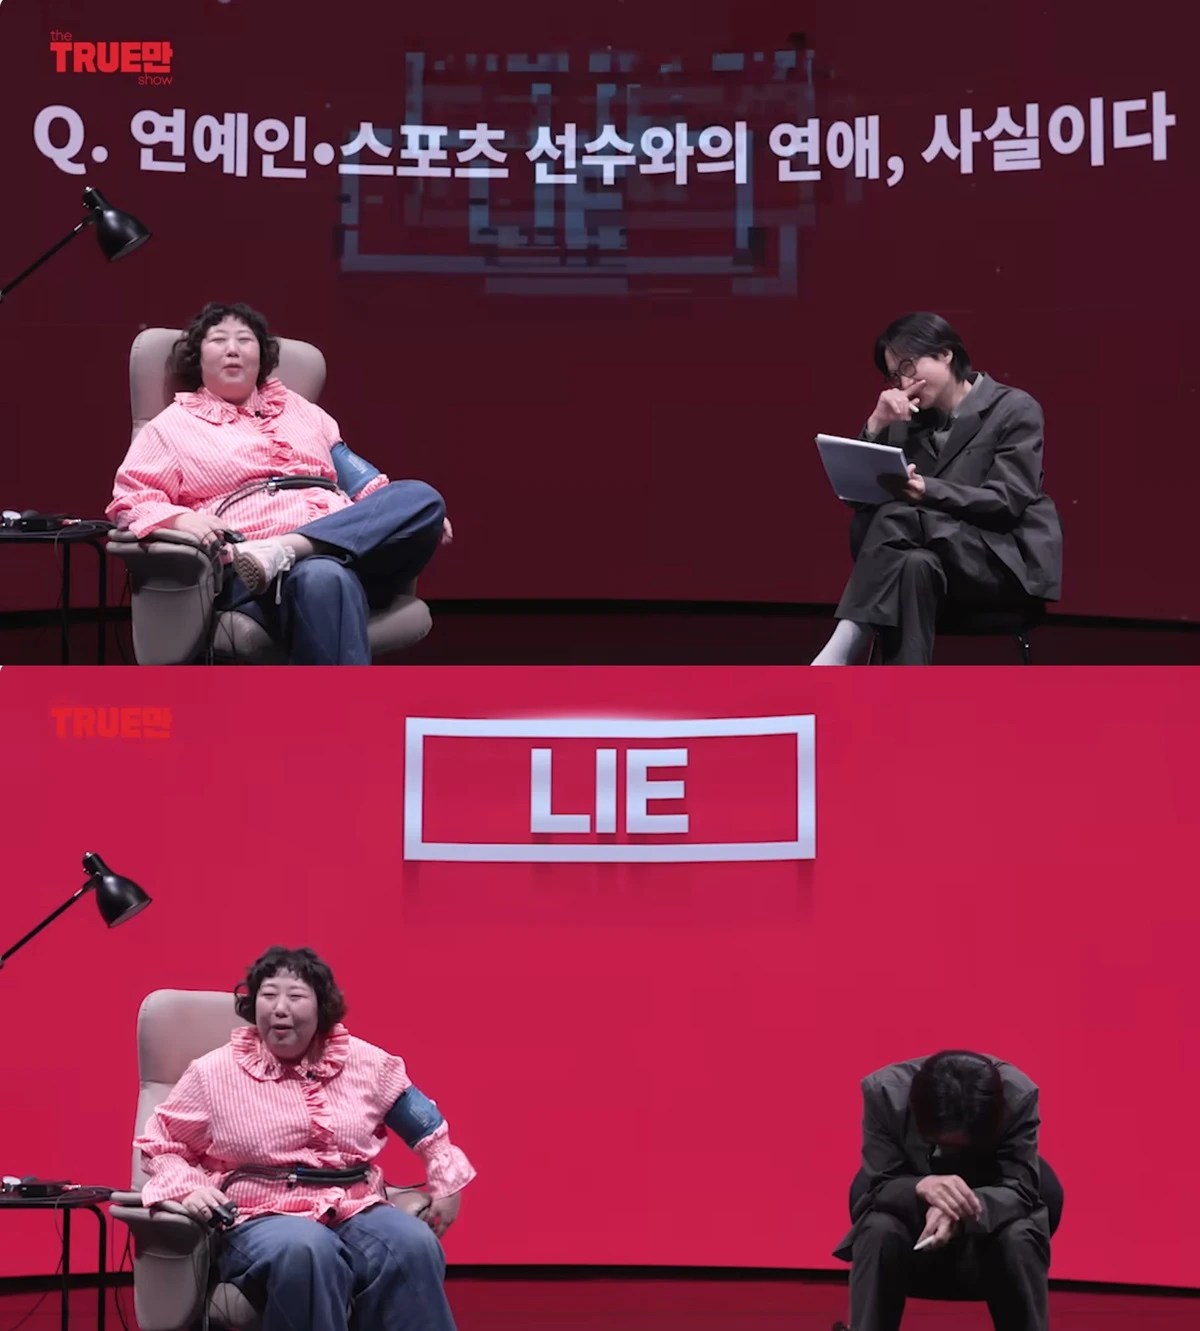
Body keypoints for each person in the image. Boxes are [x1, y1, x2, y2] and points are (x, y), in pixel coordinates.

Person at [136, 946, 476, 1331]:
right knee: (309, 1251)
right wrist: (189, 1189)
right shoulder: (213, 1073)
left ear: (321, 1007)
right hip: (260, 1213)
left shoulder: (365, 1062)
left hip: (353, 1205)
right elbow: (161, 1144)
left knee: (411, 1244)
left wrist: (447, 1181)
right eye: (268, 995)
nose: (280, 1008)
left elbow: (424, 1125)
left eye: (295, 996)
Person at [107, 302, 452, 665]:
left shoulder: (302, 410)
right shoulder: (171, 426)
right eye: (218, 340)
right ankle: (342, 706)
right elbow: (132, 499)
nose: (232, 349)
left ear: (262, 356)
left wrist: (404, 516)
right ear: (197, 357)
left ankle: (283, 549)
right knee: (323, 578)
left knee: (423, 498)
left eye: (245, 340)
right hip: (259, 578)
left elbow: (359, 478)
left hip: (353, 557)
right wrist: (181, 519)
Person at [812, 313, 1062, 666]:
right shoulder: (907, 420)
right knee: (913, 565)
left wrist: (927, 490)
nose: (904, 382)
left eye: (909, 366)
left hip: (996, 560)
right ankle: (904, 693)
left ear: (946, 354)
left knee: (897, 516)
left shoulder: (1014, 409)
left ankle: (845, 644)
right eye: (895, 374)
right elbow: (860, 502)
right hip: (935, 559)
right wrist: (876, 424)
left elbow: (1007, 500)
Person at [832, 1050, 1053, 1331]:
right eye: (941, 1144)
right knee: (877, 1228)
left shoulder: (1018, 1097)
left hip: (988, 1232)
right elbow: (877, 1185)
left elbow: (1022, 1189)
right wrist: (920, 1187)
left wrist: (961, 1208)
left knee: (1020, 1234)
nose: (950, 1155)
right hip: (911, 1233)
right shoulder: (884, 1093)